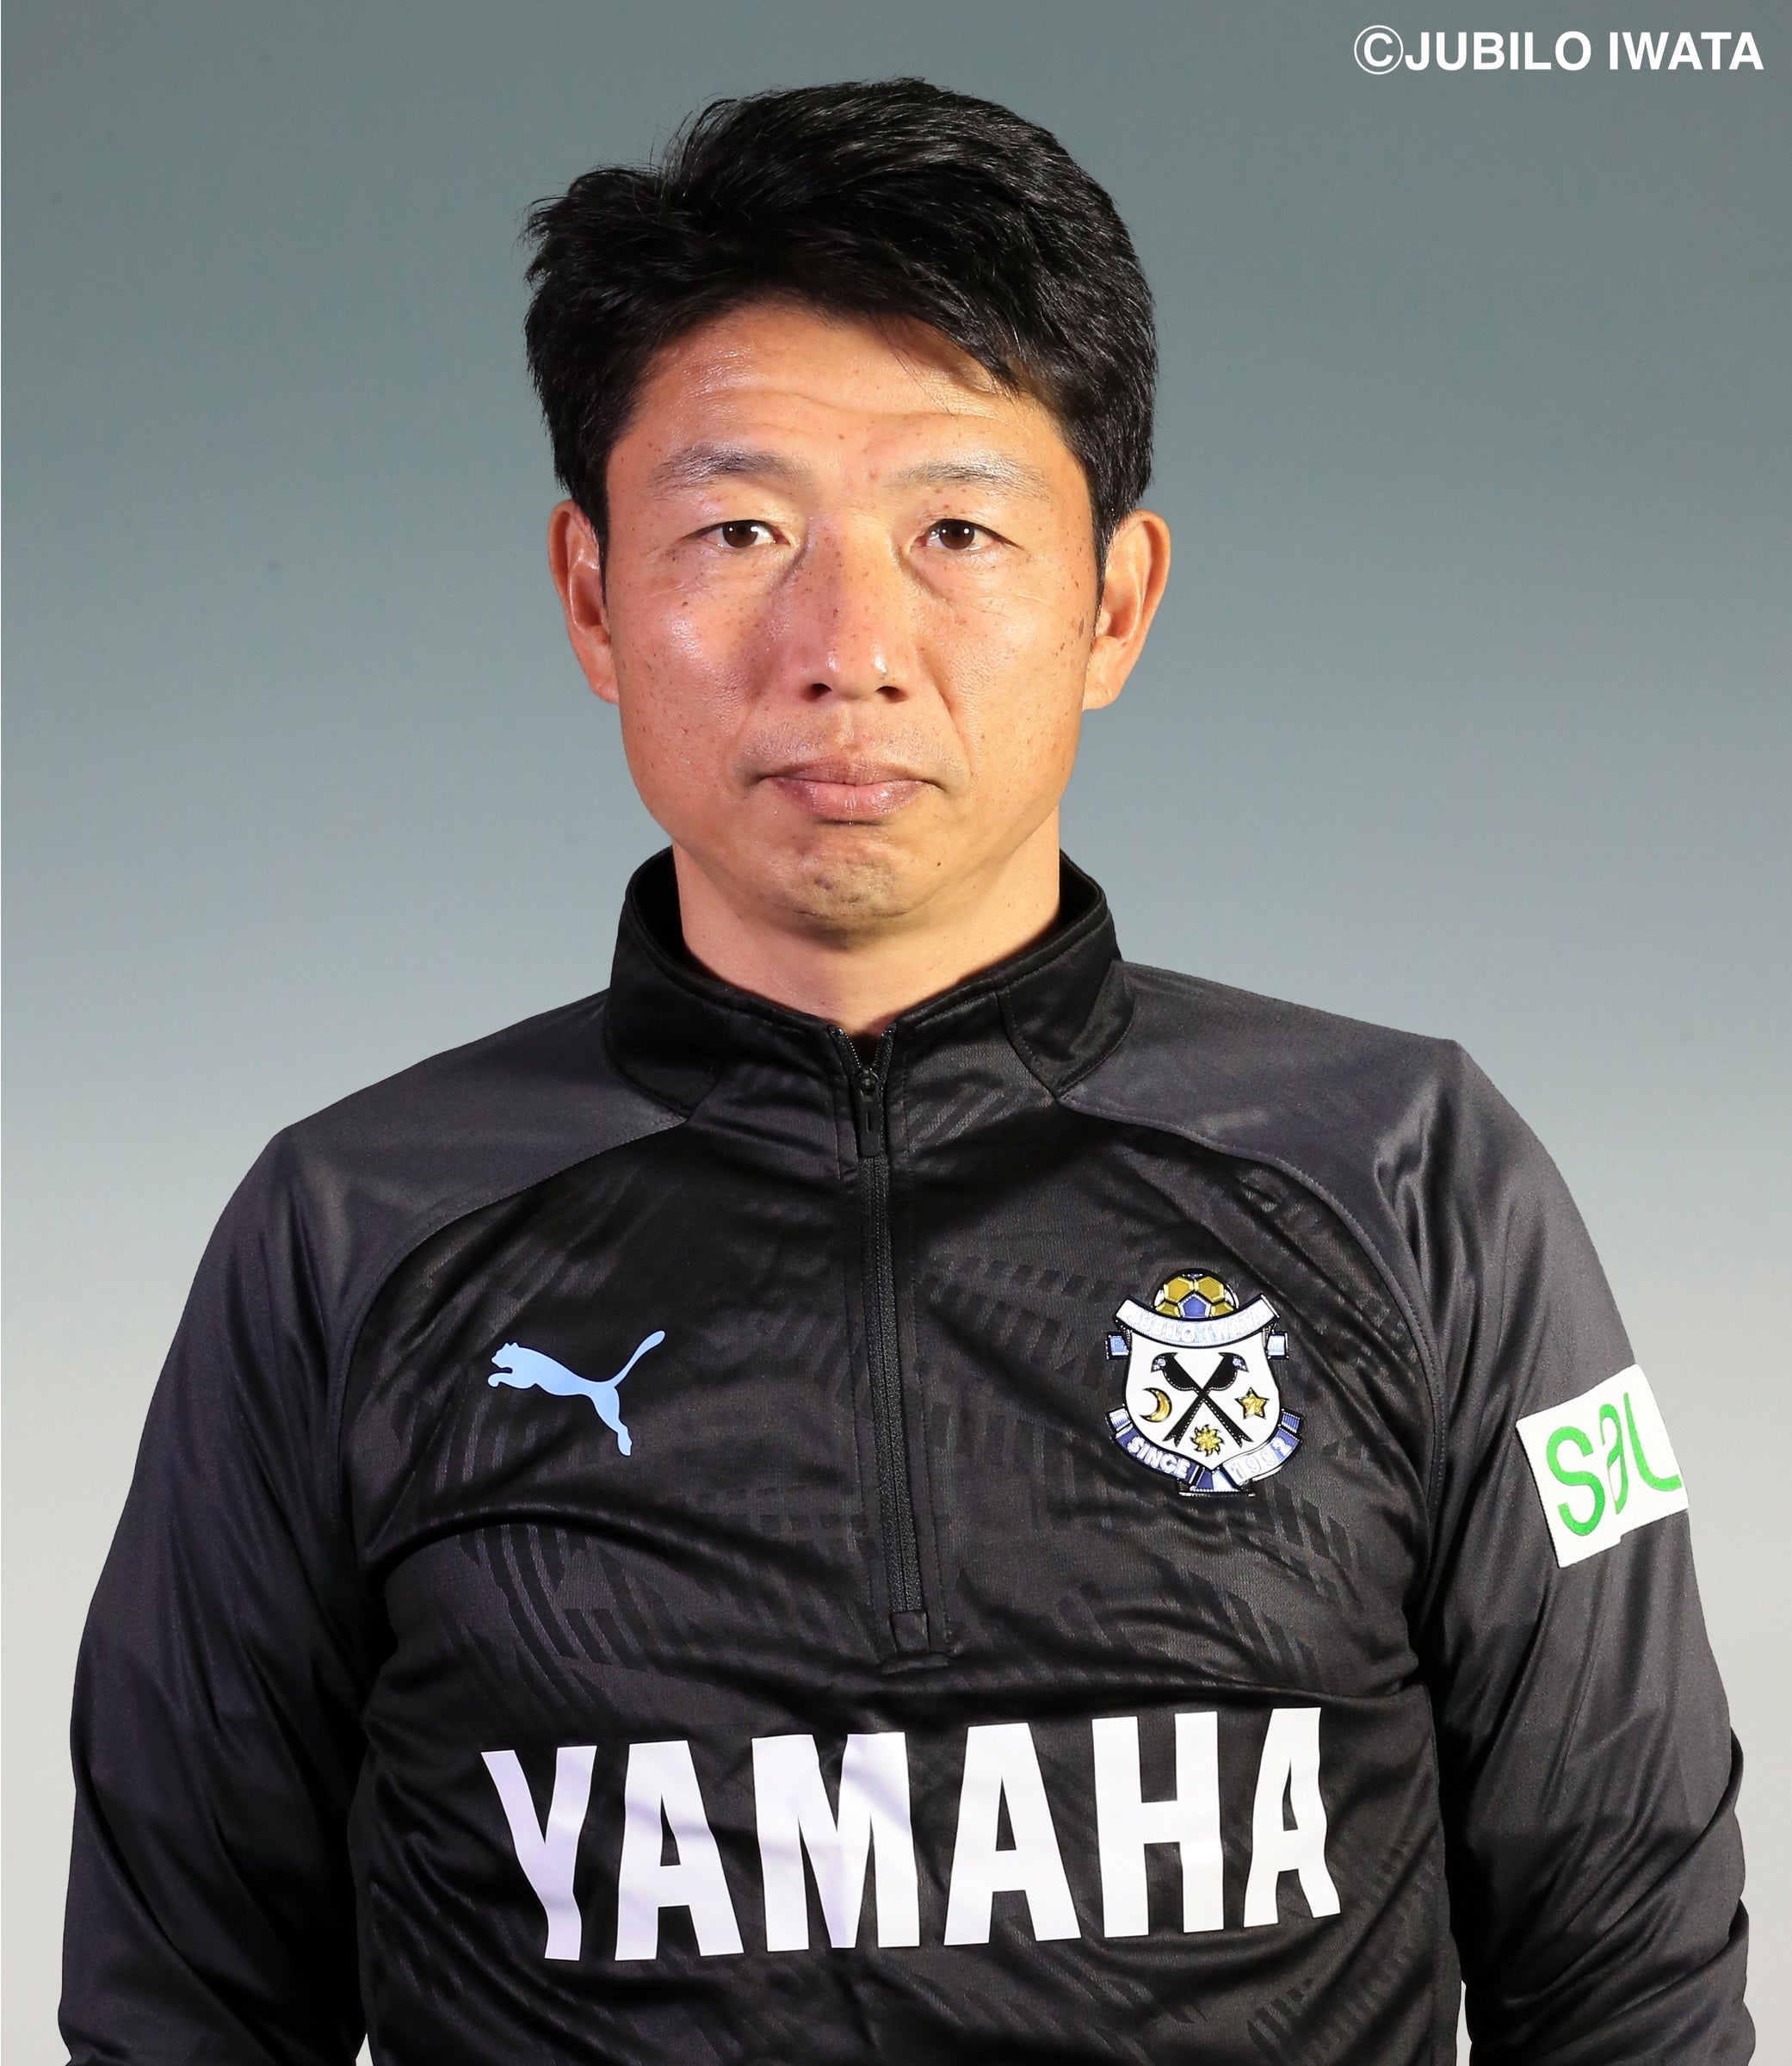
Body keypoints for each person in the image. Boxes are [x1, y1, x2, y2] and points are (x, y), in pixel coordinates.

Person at [60, 78, 1750, 2066]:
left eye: (955, 528)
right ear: (592, 593)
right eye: (739, 528)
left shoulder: (1420, 1183)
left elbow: (1635, 1982)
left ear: (1114, 601)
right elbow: (179, 2011)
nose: (846, 644)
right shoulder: (347, 1242)